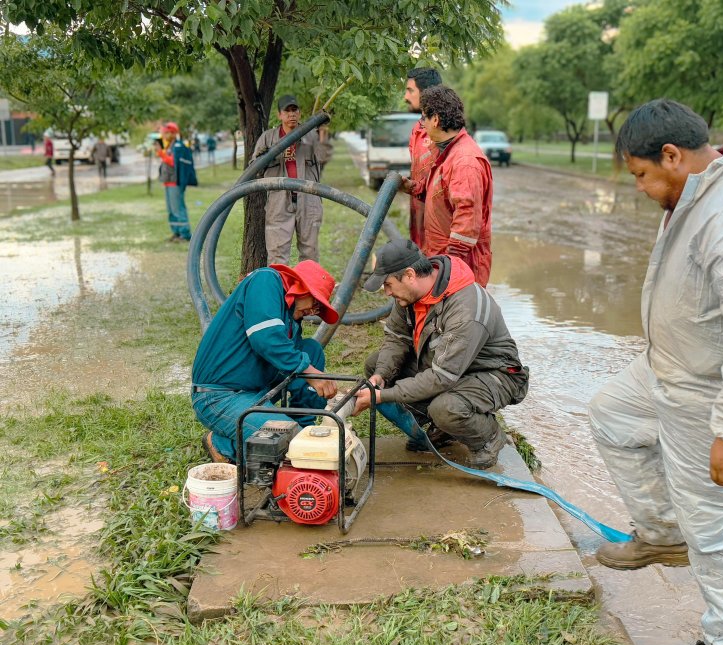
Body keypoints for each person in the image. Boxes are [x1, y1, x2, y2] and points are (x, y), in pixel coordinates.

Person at [588, 99, 723, 645]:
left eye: (640, 174)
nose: (638, 186)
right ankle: (661, 534)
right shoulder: (698, 191)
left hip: (714, 395)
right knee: (612, 413)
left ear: (674, 156)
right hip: (671, 369)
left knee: (718, 532)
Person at [354, 238, 528, 469]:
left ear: (409, 275)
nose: (386, 292)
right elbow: (397, 338)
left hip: (494, 374)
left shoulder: (466, 308)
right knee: (376, 364)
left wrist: (382, 396)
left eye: (388, 284)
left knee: (446, 409)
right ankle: (445, 429)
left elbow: (441, 377)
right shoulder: (409, 295)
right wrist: (381, 376)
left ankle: (489, 438)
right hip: (449, 368)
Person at [191, 259, 340, 463]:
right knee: (289, 447)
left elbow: (288, 355)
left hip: (255, 390)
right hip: (219, 396)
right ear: (300, 287)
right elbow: (266, 339)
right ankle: (222, 445)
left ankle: (304, 427)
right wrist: (310, 373)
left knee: (311, 350)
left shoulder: (291, 315)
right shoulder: (265, 280)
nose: (314, 313)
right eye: (316, 304)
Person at [401, 85, 493, 286]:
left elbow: (466, 221)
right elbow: (441, 193)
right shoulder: (448, 152)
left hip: (460, 268)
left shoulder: (464, 161)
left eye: (424, 118)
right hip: (444, 262)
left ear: (435, 120)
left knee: (458, 317)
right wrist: (412, 187)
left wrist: (449, 266)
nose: (422, 125)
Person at [250, 94, 331, 265]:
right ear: (279, 115)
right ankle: (279, 290)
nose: (291, 114)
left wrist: (322, 132)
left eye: (295, 110)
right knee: (277, 254)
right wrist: (265, 156)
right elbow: (254, 170)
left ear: (300, 114)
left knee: (310, 253)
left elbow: (323, 157)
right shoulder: (268, 138)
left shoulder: (311, 136)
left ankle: (307, 292)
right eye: (287, 111)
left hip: (308, 201)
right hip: (278, 203)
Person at [403, 67, 442, 248]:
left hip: (441, 237)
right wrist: (410, 186)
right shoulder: (417, 130)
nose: (405, 97)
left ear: (426, 94)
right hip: (420, 230)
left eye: (410, 90)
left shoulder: (444, 132)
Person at [155, 122, 193, 242]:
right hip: (168, 182)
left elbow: (173, 162)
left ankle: (185, 234)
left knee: (178, 209)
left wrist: (161, 153)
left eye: (166, 133)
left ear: (173, 133)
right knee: (171, 210)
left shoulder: (178, 146)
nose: (164, 135)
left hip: (175, 183)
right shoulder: (170, 146)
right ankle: (176, 232)